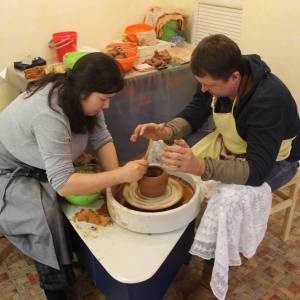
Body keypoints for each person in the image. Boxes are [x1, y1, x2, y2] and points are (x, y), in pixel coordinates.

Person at [130, 34, 300, 299]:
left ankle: (210, 281)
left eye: (209, 85)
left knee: (227, 197)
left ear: (234, 77)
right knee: (165, 148)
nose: (204, 90)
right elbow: (195, 114)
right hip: (232, 144)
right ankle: (173, 232)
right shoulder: (215, 77)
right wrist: (166, 131)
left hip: (276, 160)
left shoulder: (268, 100)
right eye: (202, 84)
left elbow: (255, 172)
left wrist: (200, 167)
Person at [0, 52, 148, 300]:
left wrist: (115, 181)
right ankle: (56, 287)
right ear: (82, 93)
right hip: (7, 166)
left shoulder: (81, 95)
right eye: (103, 99)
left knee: (97, 188)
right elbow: (64, 185)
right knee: (45, 216)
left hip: (39, 160)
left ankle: (75, 252)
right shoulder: (48, 113)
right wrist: (119, 175)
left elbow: (101, 138)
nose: (107, 106)